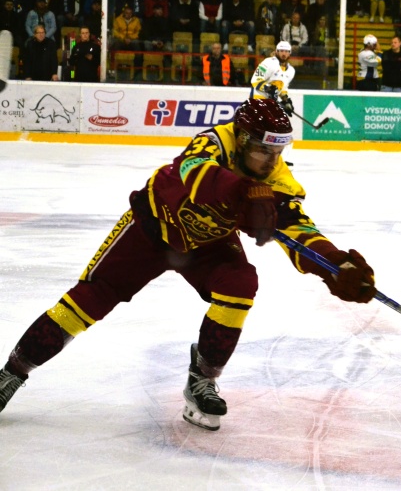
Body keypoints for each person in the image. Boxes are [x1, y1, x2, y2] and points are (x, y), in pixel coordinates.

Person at [0, 99, 377, 429]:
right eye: (264, 150)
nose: (271, 160)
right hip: (151, 229)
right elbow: (192, 172)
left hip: (207, 245)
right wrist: (243, 191)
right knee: (89, 299)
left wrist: (334, 265)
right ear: (243, 139)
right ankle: (12, 373)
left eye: (278, 152)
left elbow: (297, 228)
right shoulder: (215, 141)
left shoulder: (277, 177)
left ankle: (203, 378)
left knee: (241, 284)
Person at [250, 41, 296, 117]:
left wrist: (286, 101)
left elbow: (283, 88)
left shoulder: (291, 71)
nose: (284, 54)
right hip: (257, 100)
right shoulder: (268, 63)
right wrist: (268, 89)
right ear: (276, 52)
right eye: (281, 51)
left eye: (286, 51)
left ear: (290, 53)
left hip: (271, 103)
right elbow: (255, 80)